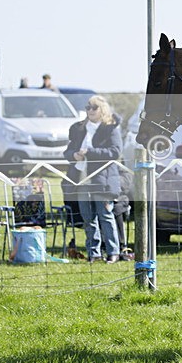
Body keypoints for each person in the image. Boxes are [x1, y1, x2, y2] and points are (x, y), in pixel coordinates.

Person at [64, 95, 123, 263]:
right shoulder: (79, 128)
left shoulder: (111, 129)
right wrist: (74, 155)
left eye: (94, 107)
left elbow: (115, 152)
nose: (90, 110)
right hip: (81, 179)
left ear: (102, 109)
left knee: (105, 215)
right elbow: (67, 151)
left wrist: (90, 152)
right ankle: (94, 253)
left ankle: (113, 252)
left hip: (102, 180)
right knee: (88, 218)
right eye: (88, 107)